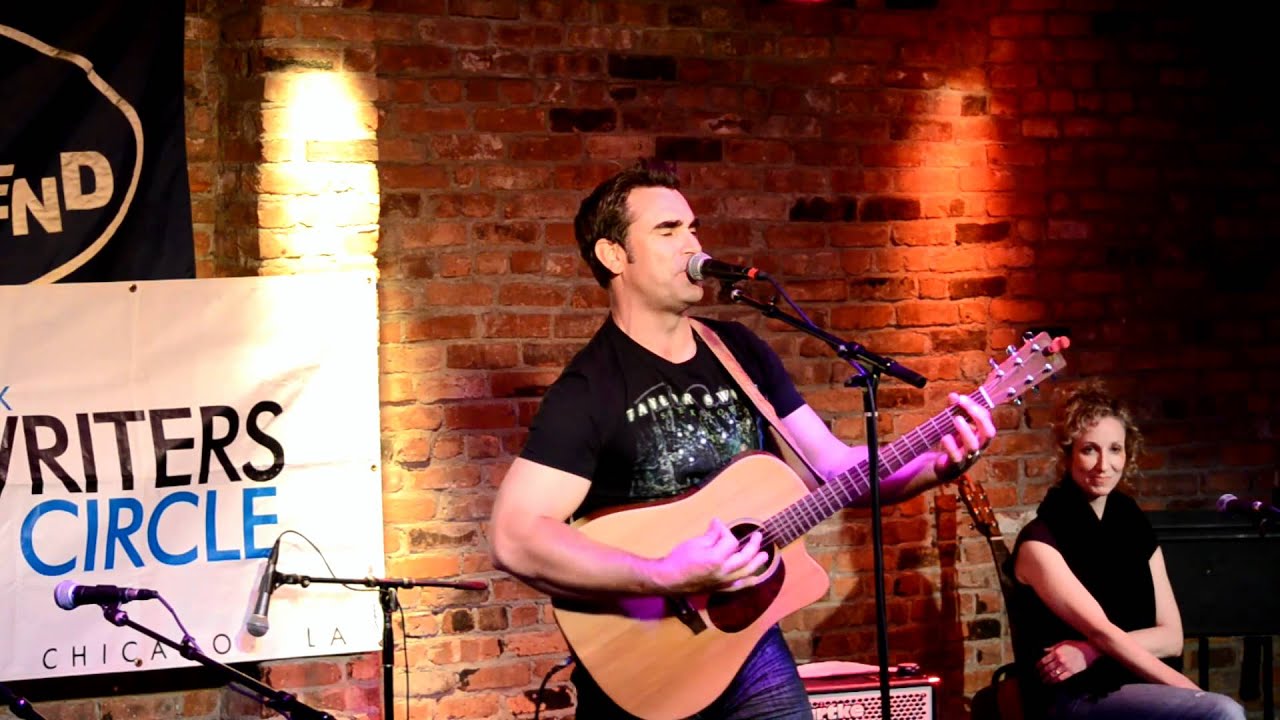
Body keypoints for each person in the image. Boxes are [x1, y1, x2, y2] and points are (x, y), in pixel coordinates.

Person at [488, 162, 998, 719]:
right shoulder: (591, 389)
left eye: (692, 226)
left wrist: (934, 466)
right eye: (668, 231)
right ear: (614, 256)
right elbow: (516, 537)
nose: (693, 244)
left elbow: (833, 469)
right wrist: (663, 575)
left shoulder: (739, 352)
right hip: (641, 663)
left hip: (746, 646)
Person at [1007, 382, 1245, 719]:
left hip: (1133, 683)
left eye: (1115, 449)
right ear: (1068, 454)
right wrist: (1194, 693)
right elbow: (1103, 631)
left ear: (1126, 454)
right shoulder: (1040, 542)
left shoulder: (1134, 525)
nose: (1104, 464)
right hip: (1077, 696)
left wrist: (1091, 651)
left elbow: (1172, 637)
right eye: (1090, 449)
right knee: (1221, 712)